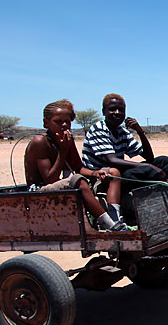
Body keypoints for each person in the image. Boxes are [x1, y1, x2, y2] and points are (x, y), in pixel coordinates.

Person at [24, 99, 130, 231]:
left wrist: (95, 173)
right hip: (39, 191)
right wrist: (63, 150)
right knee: (77, 180)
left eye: (67, 122)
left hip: (59, 184)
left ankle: (116, 219)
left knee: (113, 172)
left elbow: (78, 167)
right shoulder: (40, 141)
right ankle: (108, 224)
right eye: (58, 122)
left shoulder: (66, 139)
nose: (64, 125)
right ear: (46, 122)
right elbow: (49, 179)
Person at [81, 93, 168, 182]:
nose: (117, 113)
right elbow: (112, 160)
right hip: (104, 175)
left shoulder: (122, 132)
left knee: (163, 161)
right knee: (146, 170)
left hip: (119, 171)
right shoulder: (99, 129)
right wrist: (146, 166)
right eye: (112, 109)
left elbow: (149, 156)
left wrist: (140, 132)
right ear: (103, 112)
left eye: (121, 110)